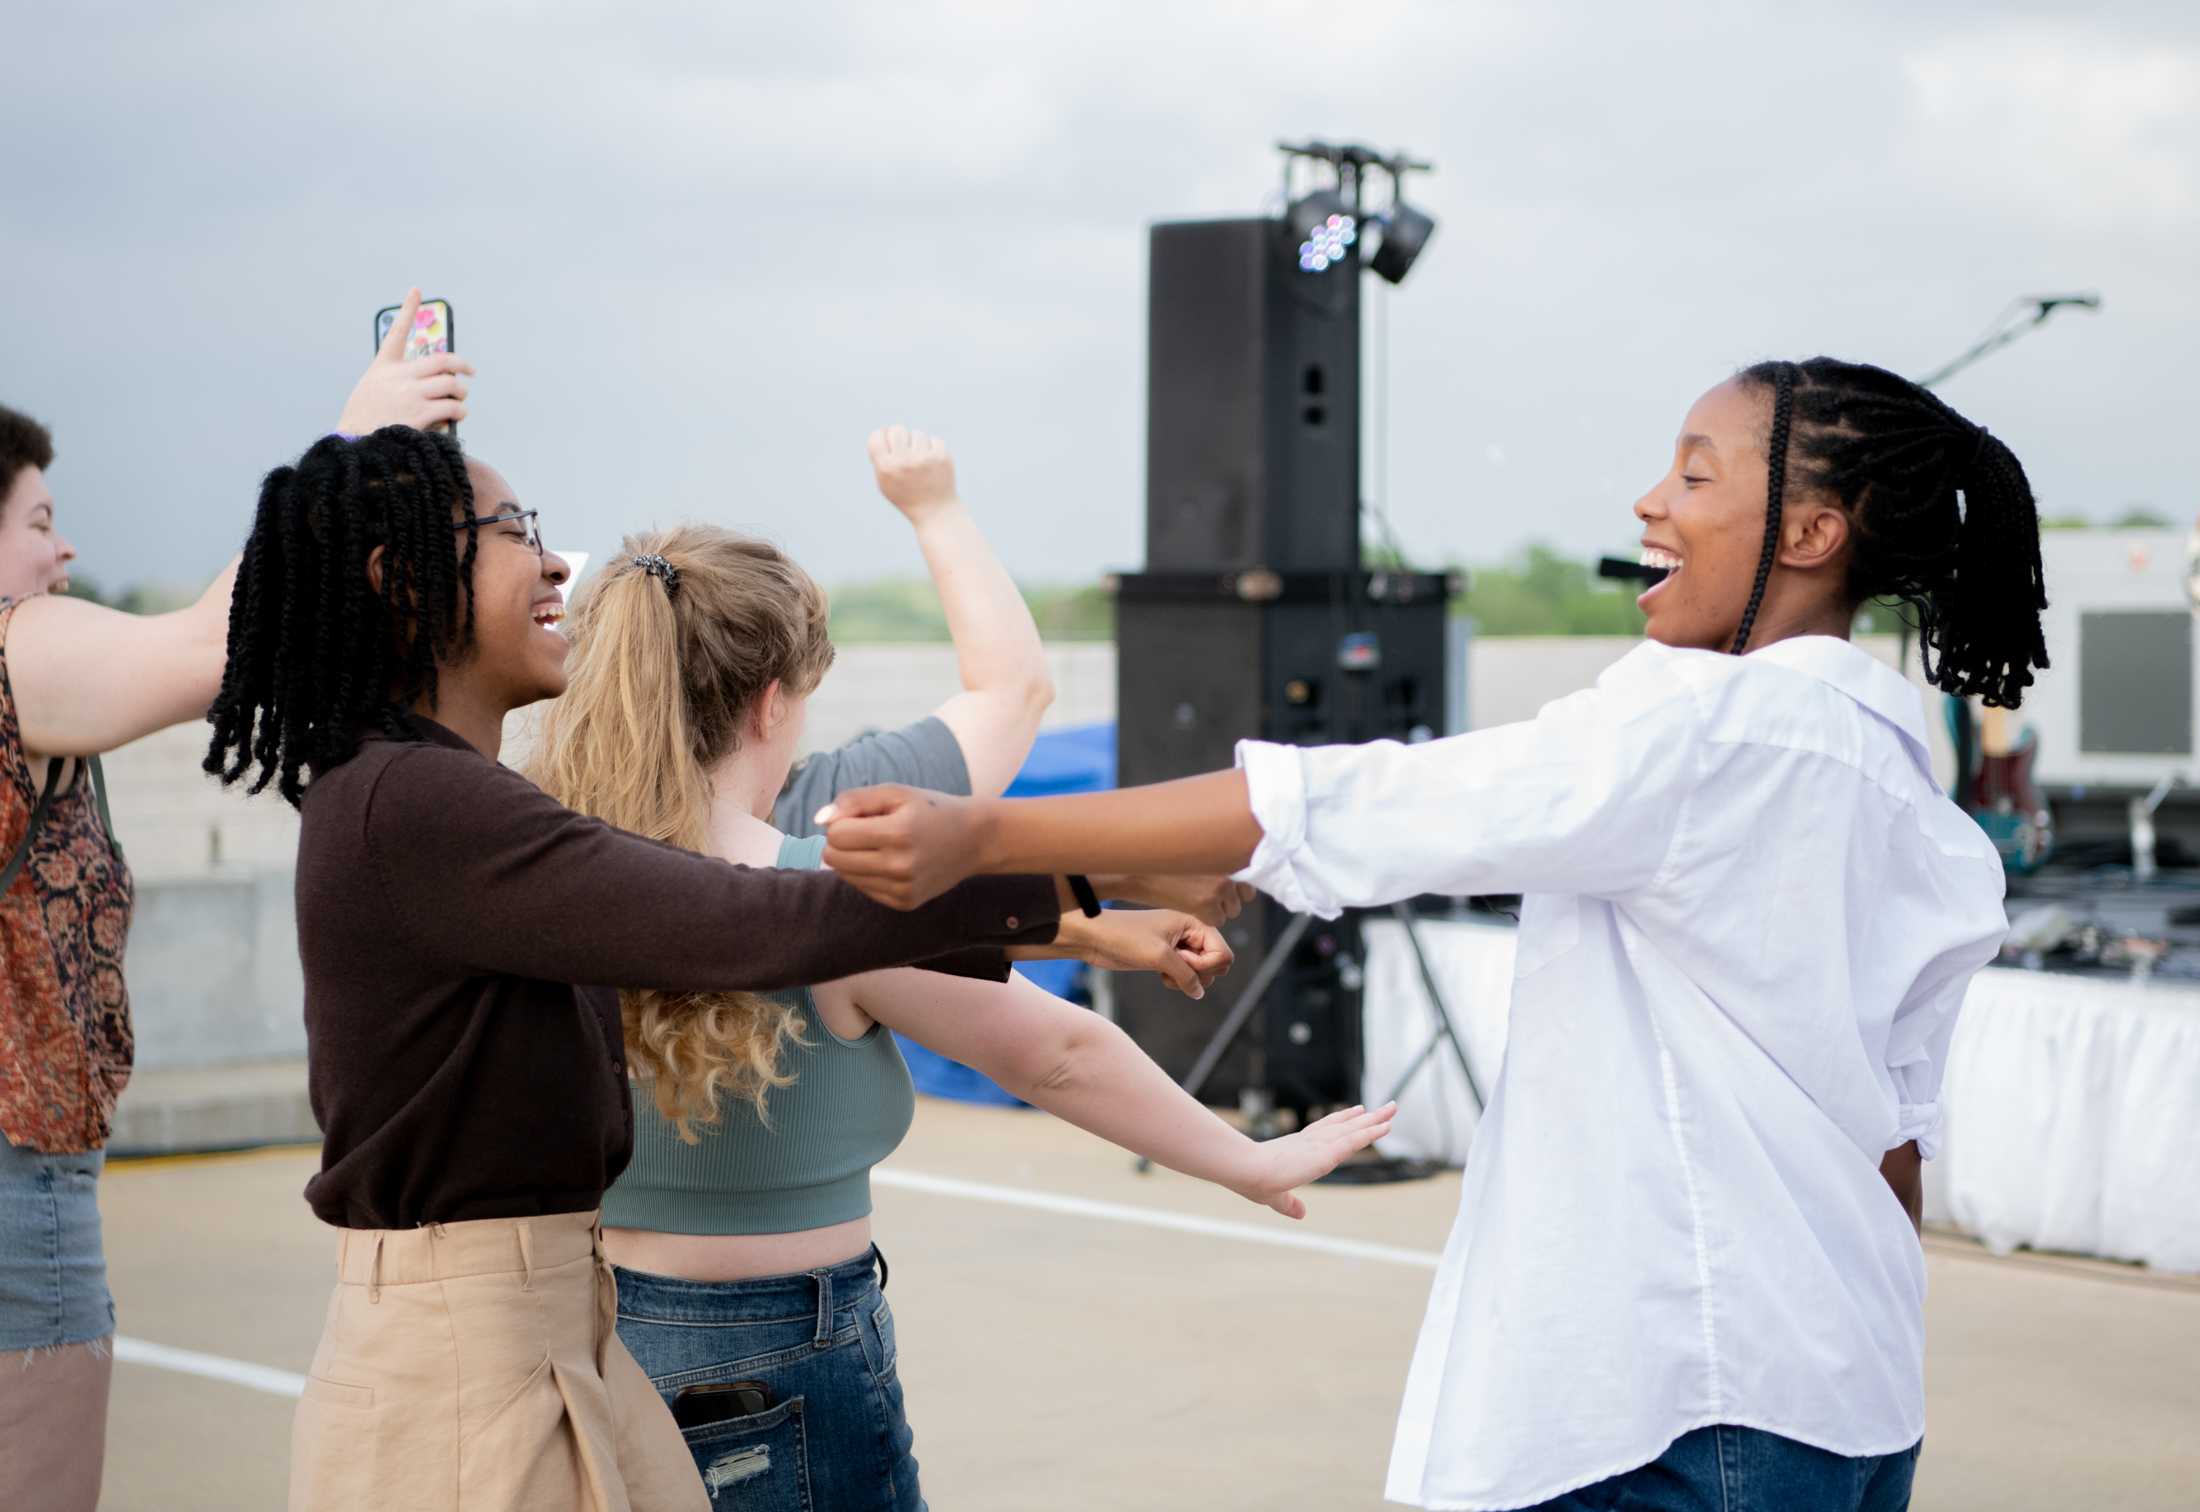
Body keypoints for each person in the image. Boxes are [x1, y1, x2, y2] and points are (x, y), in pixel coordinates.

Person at [814, 358, 2045, 1512]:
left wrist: (986, 835)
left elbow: (1369, 802)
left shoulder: (1709, 738)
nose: (1649, 502)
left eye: (1694, 474)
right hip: (1849, 1390)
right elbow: (1898, 1137)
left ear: (1810, 534)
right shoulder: (1896, 774)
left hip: (1687, 1404)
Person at [203, 424, 1228, 1512]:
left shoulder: (440, 796)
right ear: (401, 579)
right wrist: (1080, 875)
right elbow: (742, 921)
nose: (556, 562)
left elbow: (723, 909)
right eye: (517, 533)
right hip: (470, 1352)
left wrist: (1081, 925)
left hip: (550, 1323)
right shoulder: (422, 801)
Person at [528, 516, 1394, 1509]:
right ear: (773, 704)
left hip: (603, 1330)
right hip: (786, 1356)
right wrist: (1250, 1160)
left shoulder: (537, 875)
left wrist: (1089, 931)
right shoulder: (820, 899)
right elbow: (1052, 1054)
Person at [0, 289, 468, 1512]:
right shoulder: (11, 652)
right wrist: (354, 442)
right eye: (40, 520)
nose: (63, 553)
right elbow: (219, 641)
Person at [771, 425, 1252, 927]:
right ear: (769, 706)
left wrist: (1100, 919)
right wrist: (936, 509)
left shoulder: (692, 876)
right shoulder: (817, 807)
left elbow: (904, 927)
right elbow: (1016, 691)